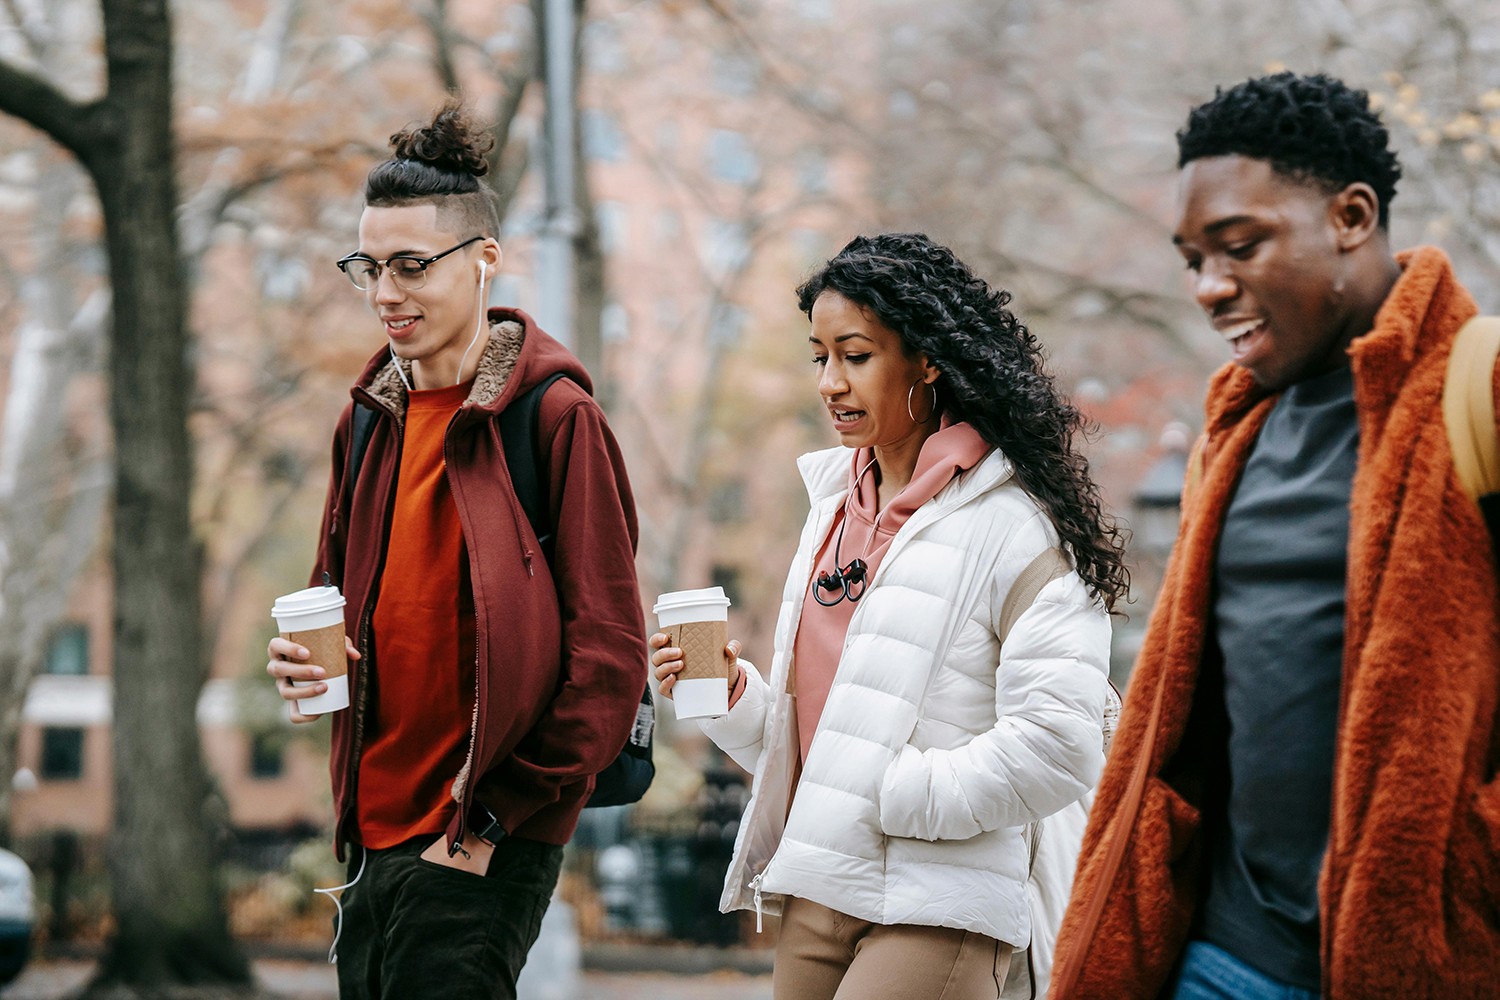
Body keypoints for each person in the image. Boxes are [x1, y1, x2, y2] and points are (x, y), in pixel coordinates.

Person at [1049, 72, 1500, 1000]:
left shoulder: (1480, 388)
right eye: (1192, 259)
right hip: (1223, 956)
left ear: (1351, 216)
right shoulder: (1236, 425)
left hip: (1424, 962)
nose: (1211, 288)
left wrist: (1469, 872)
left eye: (1240, 246)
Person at [651, 233, 1128, 1000]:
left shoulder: (1016, 527)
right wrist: (735, 699)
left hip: (938, 902)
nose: (829, 383)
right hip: (818, 884)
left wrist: (897, 794)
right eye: (819, 357)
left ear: (927, 360)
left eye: (856, 355)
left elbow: (1059, 745)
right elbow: (827, 738)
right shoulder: (832, 512)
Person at [264, 104, 645, 1000]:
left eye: (410, 266)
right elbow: (336, 593)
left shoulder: (552, 417)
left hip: (485, 827)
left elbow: (610, 655)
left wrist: (494, 819)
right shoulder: (367, 420)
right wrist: (301, 661)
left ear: (483, 262)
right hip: (373, 826)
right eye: (369, 267)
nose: (385, 293)